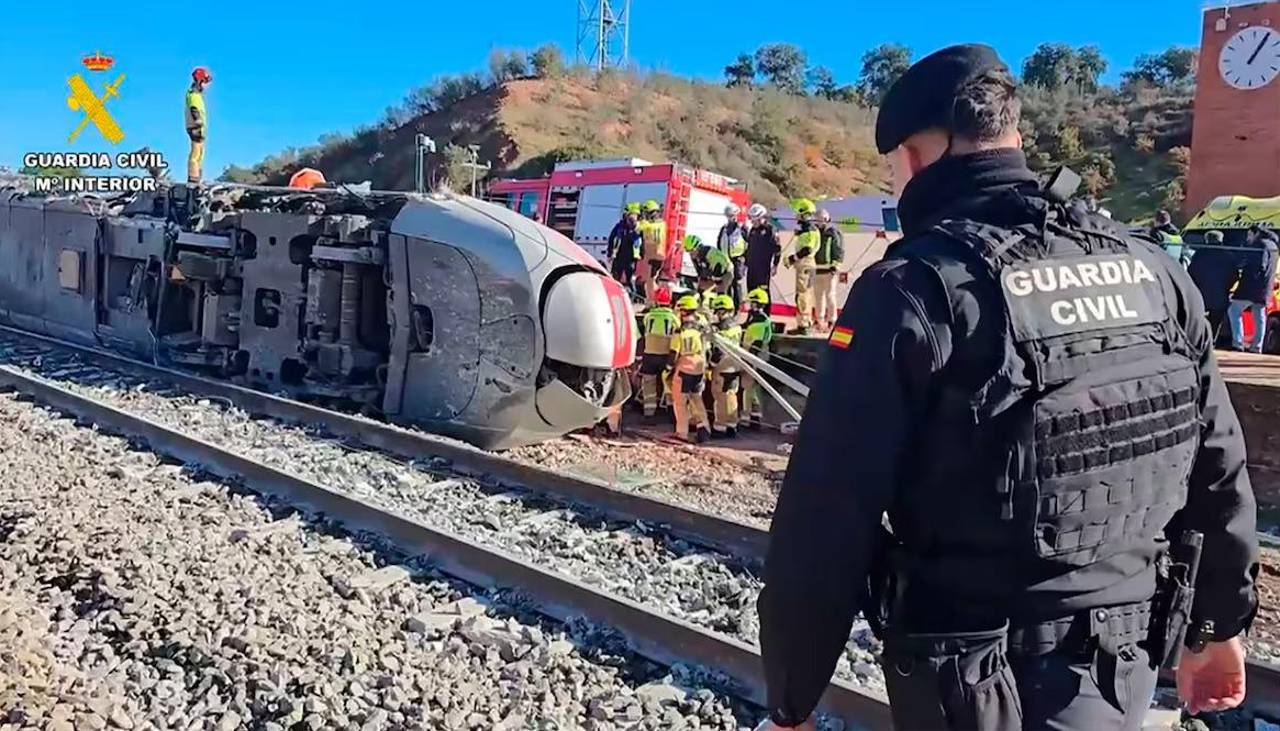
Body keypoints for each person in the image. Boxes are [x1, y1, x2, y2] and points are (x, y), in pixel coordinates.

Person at [757, 44, 1258, 731]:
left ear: (915, 158)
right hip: (1127, 663)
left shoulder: (911, 289)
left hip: (974, 680)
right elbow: (1219, 465)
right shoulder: (1153, 272)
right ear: (1012, 137)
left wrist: (791, 695)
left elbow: (825, 516)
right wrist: (1215, 626)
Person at [1230, 225, 1279, 353]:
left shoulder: (1260, 245)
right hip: (1265, 289)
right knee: (1260, 317)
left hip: (1252, 287)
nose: (1248, 237)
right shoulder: (1274, 246)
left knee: (1233, 310)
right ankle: (1257, 346)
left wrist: (1245, 271)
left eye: (1249, 234)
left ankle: (1238, 343)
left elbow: (1259, 266)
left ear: (1255, 233)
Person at [1187, 229, 1241, 346]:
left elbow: (1191, 272)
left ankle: (1197, 342)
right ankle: (1211, 343)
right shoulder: (1229, 255)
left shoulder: (1200, 253)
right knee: (1216, 322)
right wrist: (1227, 287)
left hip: (1201, 295)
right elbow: (1235, 275)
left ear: (1207, 240)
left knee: (1198, 319)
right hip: (1220, 295)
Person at [669, 294, 710, 443]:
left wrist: (668, 369)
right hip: (699, 368)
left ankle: (682, 433)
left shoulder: (680, 332)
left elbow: (674, 353)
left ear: (684, 311)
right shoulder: (701, 330)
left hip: (684, 368)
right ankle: (704, 428)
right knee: (697, 399)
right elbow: (708, 350)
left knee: (680, 402)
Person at [639, 286, 679, 417]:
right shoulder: (673, 318)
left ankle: (649, 411)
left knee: (649, 383)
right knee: (668, 382)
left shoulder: (649, 316)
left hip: (649, 354)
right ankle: (670, 410)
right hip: (666, 355)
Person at [708, 294, 743, 438]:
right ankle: (732, 425)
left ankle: (719, 428)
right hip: (735, 366)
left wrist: (711, 365)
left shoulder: (721, 331)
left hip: (722, 368)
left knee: (720, 398)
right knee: (731, 396)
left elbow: (718, 352)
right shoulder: (737, 327)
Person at [739, 287, 774, 430]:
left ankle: (748, 419)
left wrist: (748, 360)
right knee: (753, 389)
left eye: (752, 303)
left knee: (749, 389)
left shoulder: (760, 322)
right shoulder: (758, 319)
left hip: (754, 358)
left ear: (756, 304)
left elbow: (756, 344)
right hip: (758, 358)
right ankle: (754, 417)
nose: (750, 306)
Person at [784, 199, 819, 334]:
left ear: (803, 213)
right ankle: (805, 323)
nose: (796, 216)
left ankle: (803, 325)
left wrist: (793, 258)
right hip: (807, 264)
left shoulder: (809, 230)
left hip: (805, 264)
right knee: (805, 294)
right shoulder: (807, 230)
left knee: (802, 295)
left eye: (798, 213)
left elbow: (807, 249)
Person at [813, 209, 845, 332]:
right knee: (818, 296)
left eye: (821, 219)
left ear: (827, 219)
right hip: (816, 269)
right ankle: (819, 320)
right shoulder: (814, 232)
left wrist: (836, 265)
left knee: (830, 295)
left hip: (829, 270)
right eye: (817, 219)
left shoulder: (833, 232)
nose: (819, 221)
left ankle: (832, 320)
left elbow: (839, 249)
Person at [745, 203, 782, 296]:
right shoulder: (752, 230)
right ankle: (753, 309)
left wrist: (775, 265)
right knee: (751, 291)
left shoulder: (771, 230)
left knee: (763, 292)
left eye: (755, 220)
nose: (753, 222)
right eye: (752, 220)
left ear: (762, 217)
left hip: (763, 268)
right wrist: (745, 263)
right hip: (751, 267)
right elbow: (749, 247)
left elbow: (777, 249)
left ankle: (765, 310)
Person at [718, 204, 750, 309]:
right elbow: (719, 243)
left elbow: (749, 243)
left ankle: (737, 307)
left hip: (738, 259)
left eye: (731, 215)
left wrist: (744, 257)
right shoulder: (724, 228)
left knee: (736, 284)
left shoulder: (742, 228)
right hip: (726, 260)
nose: (730, 217)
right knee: (726, 283)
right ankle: (727, 306)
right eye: (728, 215)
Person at [185, 67, 212, 185]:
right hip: (195, 126)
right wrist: (198, 120)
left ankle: (197, 178)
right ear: (200, 80)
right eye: (205, 82)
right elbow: (194, 107)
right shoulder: (193, 93)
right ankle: (193, 178)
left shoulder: (197, 94)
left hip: (199, 128)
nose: (206, 85)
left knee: (200, 153)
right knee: (196, 152)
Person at [637, 200, 668, 301]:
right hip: (658, 255)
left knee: (650, 281)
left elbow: (637, 227)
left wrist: (639, 218)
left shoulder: (648, 225)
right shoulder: (662, 224)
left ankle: (653, 302)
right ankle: (656, 299)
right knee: (650, 281)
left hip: (653, 255)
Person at [607, 203, 642, 292]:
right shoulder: (620, 226)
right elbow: (611, 238)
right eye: (630, 216)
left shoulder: (639, 228)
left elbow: (642, 242)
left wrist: (642, 254)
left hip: (631, 258)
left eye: (634, 216)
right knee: (615, 278)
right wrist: (610, 252)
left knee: (629, 280)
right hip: (619, 256)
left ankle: (632, 297)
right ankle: (614, 292)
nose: (632, 219)